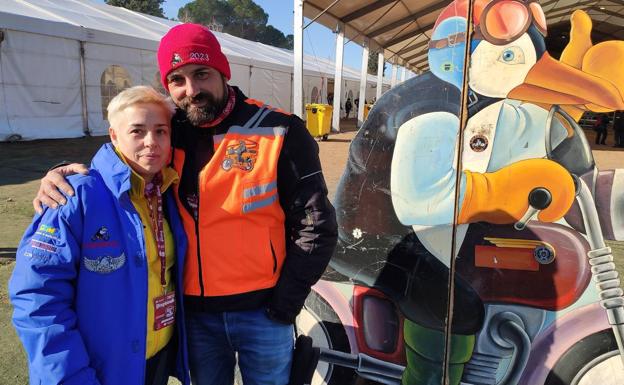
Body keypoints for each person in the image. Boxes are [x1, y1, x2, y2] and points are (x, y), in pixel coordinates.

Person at [32, 23, 338, 385]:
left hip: (265, 312)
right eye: (177, 79)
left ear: (223, 72)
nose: (192, 90)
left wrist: (284, 304)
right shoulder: (166, 129)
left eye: (201, 74)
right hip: (193, 316)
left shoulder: (280, 129)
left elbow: (316, 226)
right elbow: (119, 157)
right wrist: (62, 173)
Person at [10, 86, 190, 385]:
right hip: (97, 371)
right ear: (113, 136)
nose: (151, 143)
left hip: (155, 360)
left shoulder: (169, 192)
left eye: (161, 131)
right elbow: (37, 298)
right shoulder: (73, 196)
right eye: (137, 131)